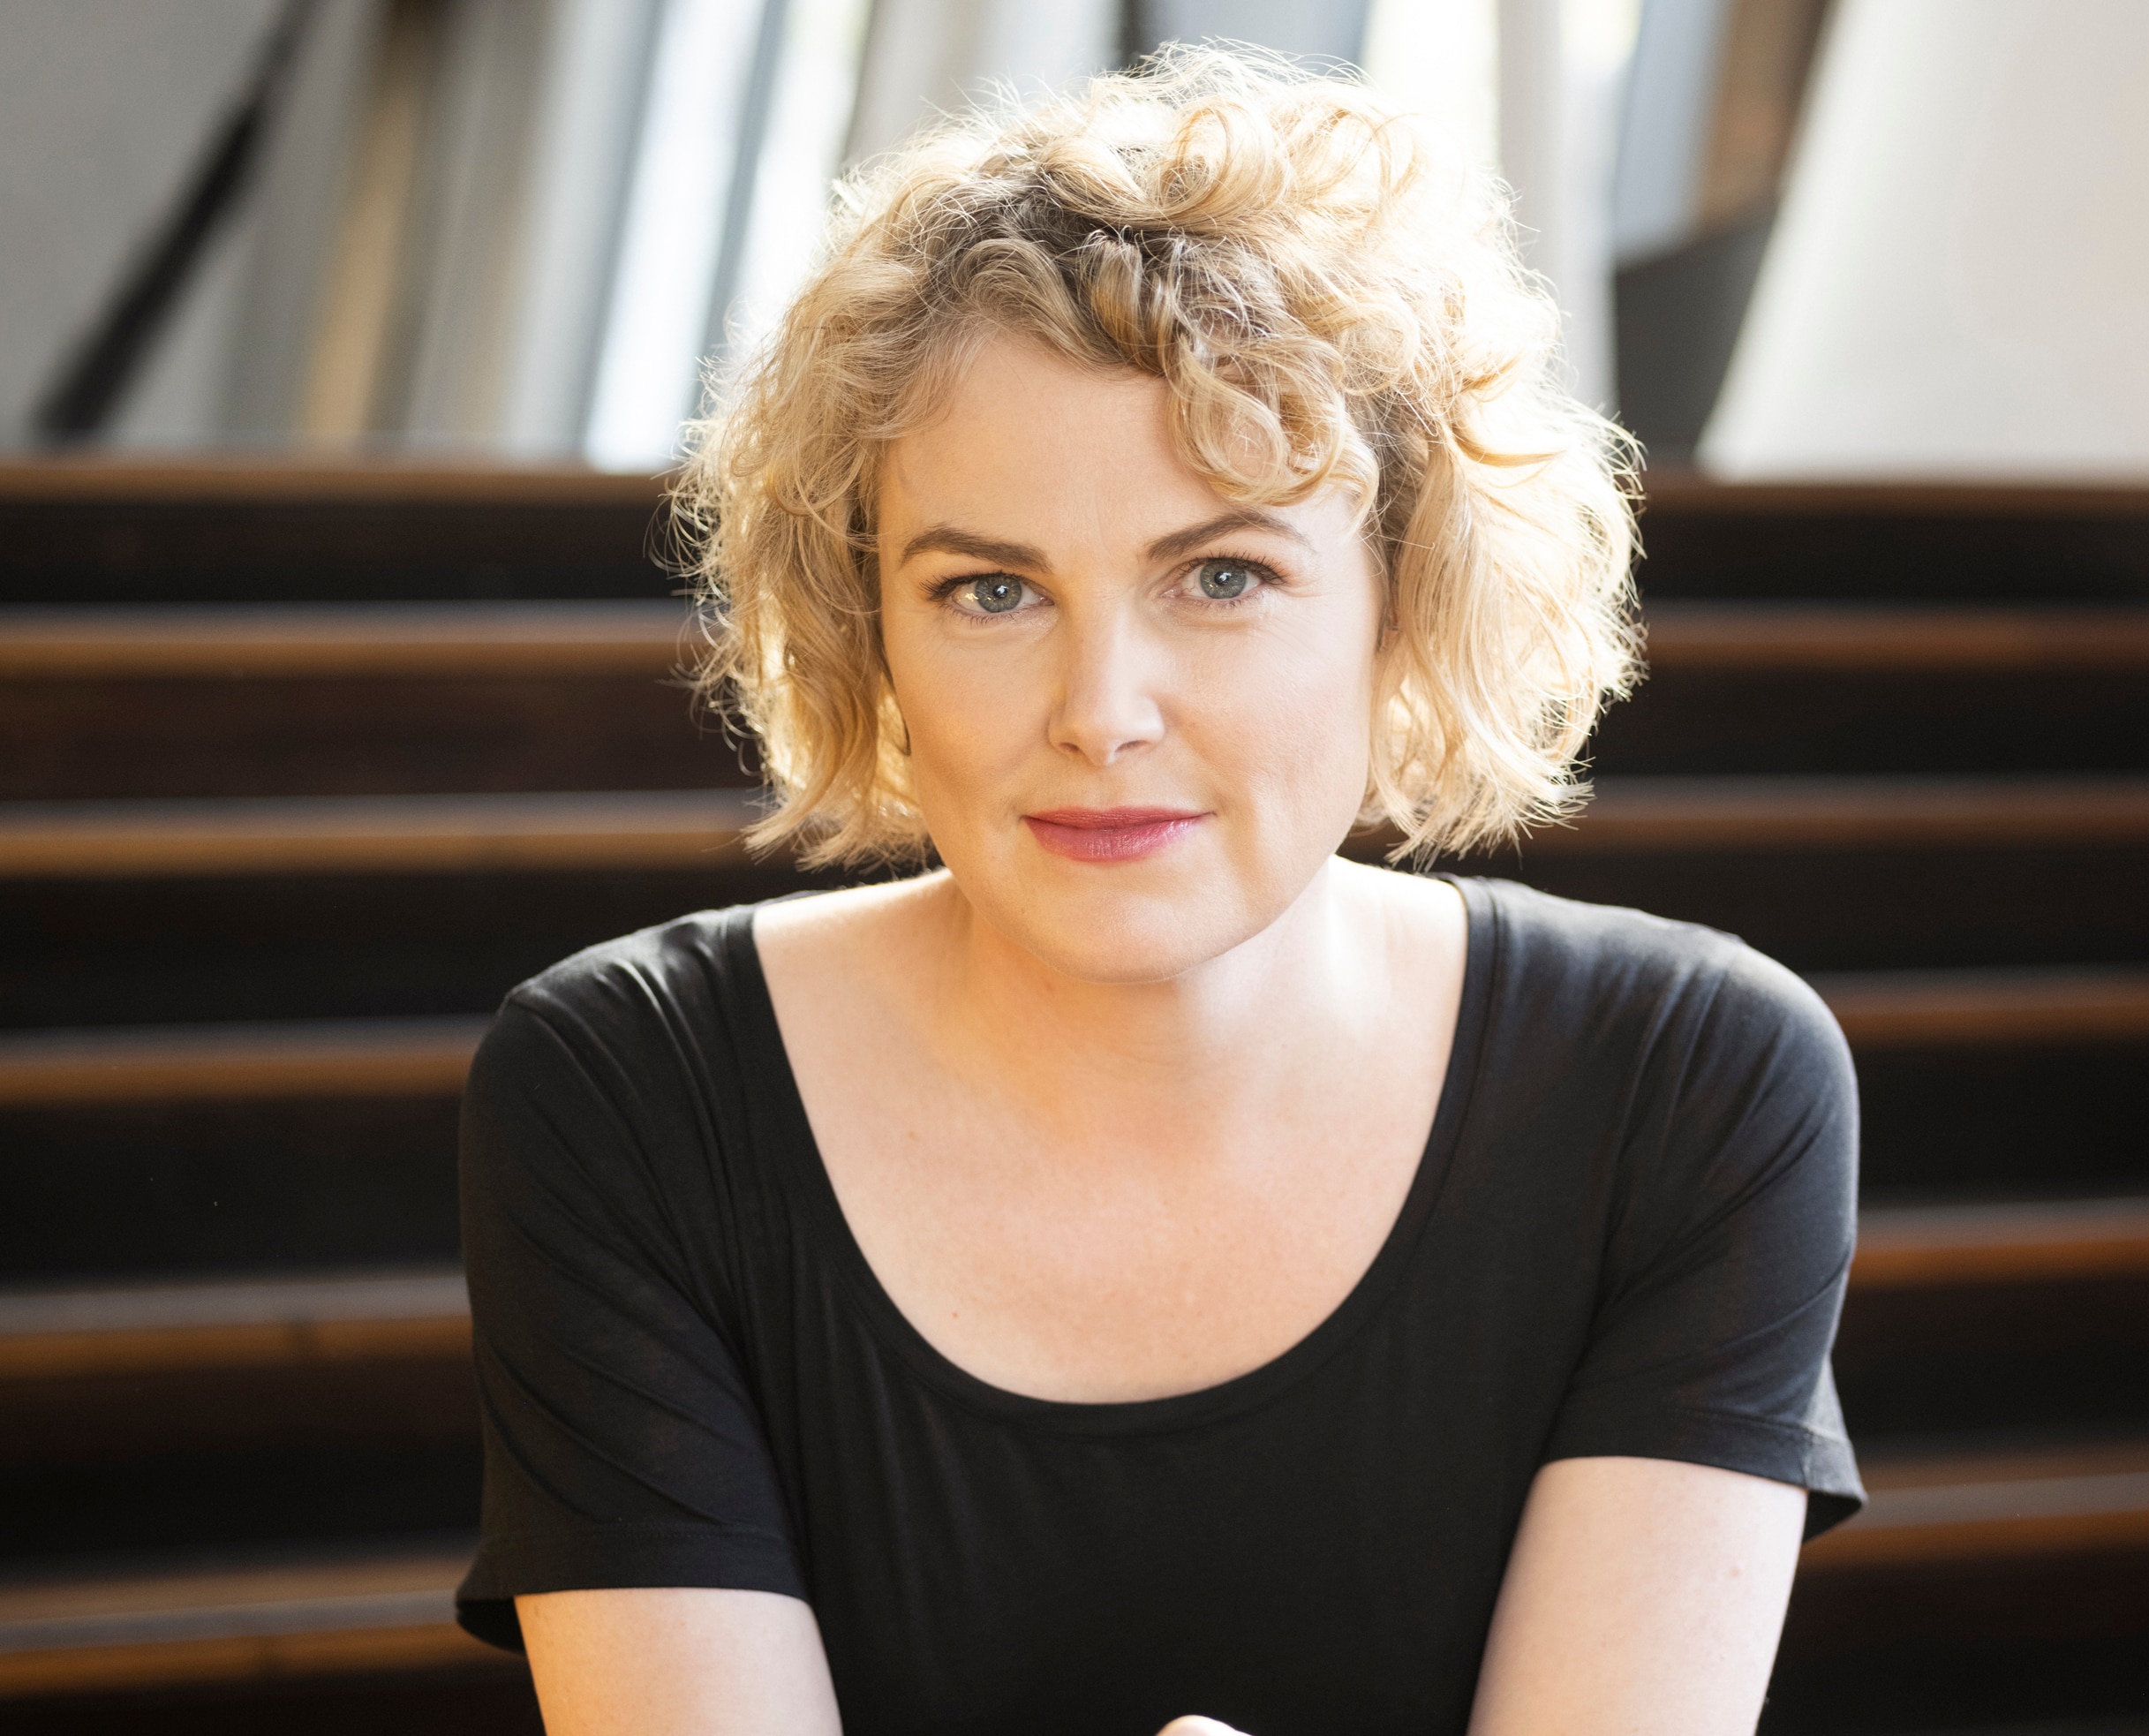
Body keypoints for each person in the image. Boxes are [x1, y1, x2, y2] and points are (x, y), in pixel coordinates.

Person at [454, 45, 1860, 1736]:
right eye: (988, 589)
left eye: (1221, 573)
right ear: (868, 628)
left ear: (1403, 600)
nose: (1101, 711)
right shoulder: (629, 1088)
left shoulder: (1690, 1084)